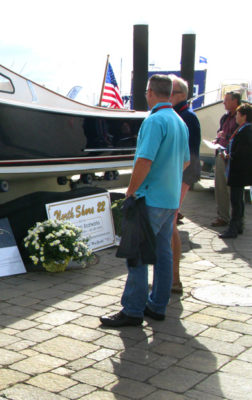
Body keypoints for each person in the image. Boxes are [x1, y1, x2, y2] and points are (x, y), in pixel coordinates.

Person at [100, 75, 190, 327]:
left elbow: (144, 160)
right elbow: (186, 161)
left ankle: (133, 309)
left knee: (137, 254)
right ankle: (157, 305)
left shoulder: (154, 120)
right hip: (169, 198)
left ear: (150, 92)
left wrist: (131, 190)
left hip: (149, 198)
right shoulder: (179, 121)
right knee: (163, 253)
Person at [168, 76, 201, 294]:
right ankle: (170, 277)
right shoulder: (180, 115)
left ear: (180, 95)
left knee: (168, 223)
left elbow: (187, 155)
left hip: (181, 175)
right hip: (178, 174)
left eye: (170, 92)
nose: (166, 96)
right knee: (167, 224)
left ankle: (175, 279)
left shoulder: (186, 117)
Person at [219, 104, 252, 238]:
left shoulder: (246, 130)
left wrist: (228, 156)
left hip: (239, 171)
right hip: (238, 170)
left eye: (238, 114)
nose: (236, 117)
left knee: (236, 200)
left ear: (243, 116)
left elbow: (243, 152)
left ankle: (233, 228)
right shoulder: (243, 129)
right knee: (238, 200)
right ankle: (238, 226)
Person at [211, 92, 242, 227]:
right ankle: (223, 216)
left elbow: (238, 136)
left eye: (226, 100)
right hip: (221, 153)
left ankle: (237, 219)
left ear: (235, 101)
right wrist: (217, 139)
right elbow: (221, 132)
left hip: (233, 156)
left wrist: (226, 136)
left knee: (235, 190)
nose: (224, 103)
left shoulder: (241, 117)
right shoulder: (224, 117)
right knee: (220, 187)